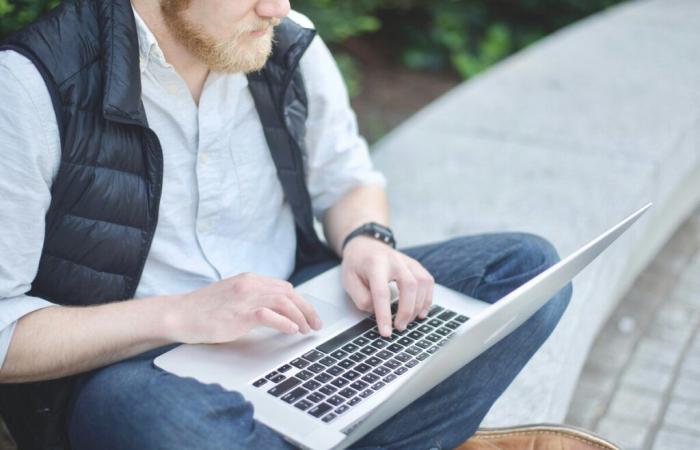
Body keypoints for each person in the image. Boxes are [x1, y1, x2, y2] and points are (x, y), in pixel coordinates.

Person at [0, 0, 572, 449]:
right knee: (170, 427)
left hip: (302, 312)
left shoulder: (281, 35)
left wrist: (368, 240)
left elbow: (347, 177)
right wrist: (180, 314)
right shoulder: (30, 86)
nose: (277, 7)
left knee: (526, 272)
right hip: (141, 365)